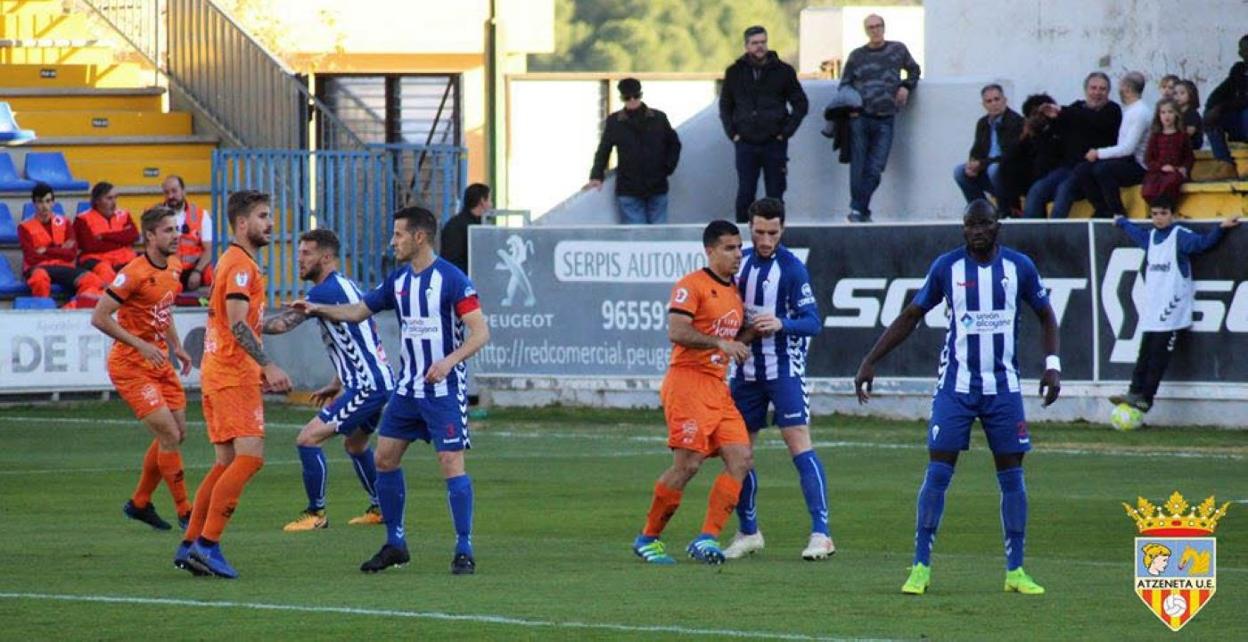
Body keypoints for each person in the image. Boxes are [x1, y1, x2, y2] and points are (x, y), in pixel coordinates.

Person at [854, 200, 1061, 596]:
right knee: (938, 472)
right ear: (963, 229)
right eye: (971, 224)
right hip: (956, 388)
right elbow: (912, 315)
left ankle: (1015, 571)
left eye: (985, 223)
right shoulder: (947, 267)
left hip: (1004, 389)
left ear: (997, 226)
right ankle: (920, 567)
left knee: (1013, 476)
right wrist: (870, 359)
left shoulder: (1019, 267)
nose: (978, 230)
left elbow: (1046, 315)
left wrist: (1052, 364)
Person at [292, 206, 490, 576]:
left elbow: (480, 332)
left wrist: (449, 362)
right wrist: (316, 307)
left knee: (450, 463)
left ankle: (464, 548)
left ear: (419, 237)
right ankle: (395, 542)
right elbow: (357, 311)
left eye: (398, 234)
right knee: (384, 459)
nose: (392, 241)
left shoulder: (451, 279)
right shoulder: (398, 281)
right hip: (407, 389)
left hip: (443, 389)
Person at [175, 190, 292, 579]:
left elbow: (251, 323)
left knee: (225, 462)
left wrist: (301, 316)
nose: (270, 223)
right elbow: (239, 324)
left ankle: (191, 543)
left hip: (217, 372)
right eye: (262, 216)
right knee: (250, 458)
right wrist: (269, 365)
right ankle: (208, 545)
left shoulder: (232, 262)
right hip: (233, 374)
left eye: (270, 215)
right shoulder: (241, 266)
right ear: (242, 224)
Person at [630, 220, 756, 566]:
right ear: (710, 250)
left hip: (717, 386)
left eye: (739, 248)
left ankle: (706, 539)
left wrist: (749, 335)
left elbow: (729, 342)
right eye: (729, 248)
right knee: (688, 465)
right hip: (687, 382)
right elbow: (677, 330)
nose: (737, 255)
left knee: (741, 458)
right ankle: (648, 538)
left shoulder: (734, 292)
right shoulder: (692, 285)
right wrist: (719, 342)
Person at [260, 229, 396, 532]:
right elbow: (358, 339)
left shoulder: (323, 293)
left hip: (367, 386)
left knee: (307, 439)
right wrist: (337, 381)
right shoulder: (345, 286)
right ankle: (382, 508)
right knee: (356, 444)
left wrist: (241, 321)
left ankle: (315, 514)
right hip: (375, 381)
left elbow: (282, 325)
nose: (299, 259)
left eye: (306, 253)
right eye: (299, 253)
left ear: (326, 257)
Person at [720, 198, 833, 562]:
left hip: (784, 369)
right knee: (739, 451)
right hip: (746, 373)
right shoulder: (740, 266)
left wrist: (783, 323)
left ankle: (822, 533)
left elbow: (814, 322)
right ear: (749, 228)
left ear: (782, 229)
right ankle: (748, 531)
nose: (765, 239)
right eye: (759, 231)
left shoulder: (792, 270)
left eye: (772, 232)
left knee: (798, 442)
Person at [91, 206, 194, 532]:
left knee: (177, 433)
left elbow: (163, 310)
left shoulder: (175, 266)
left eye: (176, 229)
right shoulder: (133, 273)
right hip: (131, 365)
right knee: (168, 434)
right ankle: (185, 511)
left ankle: (139, 503)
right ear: (150, 236)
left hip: (160, 360)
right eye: (167, 230)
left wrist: (176, 345)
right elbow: (99, 316)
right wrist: (140, 344)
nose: (175, 236)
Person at [1109, 196, 1238, 412]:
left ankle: (1146, 399)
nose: (1159, 218)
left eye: (1163, 213)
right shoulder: (1150, 237)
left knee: (1158, 357)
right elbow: (1136, 234)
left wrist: (1220, 228)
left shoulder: (1179, 236)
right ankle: (1133, 391)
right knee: (1145, 353)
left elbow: (1202, 244)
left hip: (1172, 310)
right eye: (1154, 214)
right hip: (1152, 309)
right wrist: (1122, 222)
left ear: (1173, 215)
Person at [719, 25, 808, 223]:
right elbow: (725, 105)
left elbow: (801, 103)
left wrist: (785, 132)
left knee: (775, 194)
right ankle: (742, 236)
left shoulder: (783, 71)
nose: (760, 47)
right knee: (745, 193)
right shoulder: (734, 72)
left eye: (763, 42)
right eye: (755, 43)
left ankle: (776, 235)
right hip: (745, 142)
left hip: (773, 142)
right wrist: (732, 133)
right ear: (746, 46)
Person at [840, 14, 920, 222]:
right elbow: (845, 84)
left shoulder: (897, 49)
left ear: (884, 28)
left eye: (878, 26)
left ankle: (858, 208)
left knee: (876, 167)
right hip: (860, 118)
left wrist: (905, 86)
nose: (875, 30)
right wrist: (852, 107)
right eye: (870, 27)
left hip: (886, 117)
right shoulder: (857, 56)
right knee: (858, 166)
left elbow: (914, 70)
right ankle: (859, 211)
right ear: (866, 31)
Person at [586, 78, 682, 224]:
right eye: (627, 97)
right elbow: (604, 150)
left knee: (657, 237)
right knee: (639, 237)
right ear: (621, 98)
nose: (632, 100)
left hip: (656, 185)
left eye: (635, 96)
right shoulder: (615, 122)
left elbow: (674, 144)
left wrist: (667, 168)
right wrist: (596, 176)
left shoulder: (659, 118)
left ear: (640, 95)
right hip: (629, 188)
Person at [1038, 73, 1122, 218]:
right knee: (1037, 190)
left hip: (1091, 168)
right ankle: (1032, 237)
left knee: (1064, 190)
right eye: (1093, 88)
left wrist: (1063, 111)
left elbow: (1092, 120)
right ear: (1086, 90)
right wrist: (1052, 118)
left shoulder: (1113, 110)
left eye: (1102, 89)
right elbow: (1061, 129)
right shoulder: (1076, 108)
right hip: (1068, 166)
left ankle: (1055, 235)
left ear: (1108, 92)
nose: (1097, 93)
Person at [1074, 71, 1151, 218]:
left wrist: (1098, 153)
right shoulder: (1130, 110)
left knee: (1103, 170)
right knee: (1082, 169)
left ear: (1127, 89)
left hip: (1140, 166)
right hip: (1127, 161)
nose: (1119, 90)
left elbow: (1128, 148)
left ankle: (1118, 213)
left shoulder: (1140, 112)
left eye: (1121, 87)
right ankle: (1103, 209)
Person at [17, 182, 103, 307]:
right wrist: (60, 249)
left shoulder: (65, 222)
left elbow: (71, 254)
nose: (45, 206)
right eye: (40, 202)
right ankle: (43, 314)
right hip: (39, 267)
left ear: (53, 202)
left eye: (48, 201)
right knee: (39, 279)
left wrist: (46, 250)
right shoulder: (24, 227)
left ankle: (70, 309)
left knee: (92, 280)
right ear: (34, 204)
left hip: (64, 266)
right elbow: (31, 257)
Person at [954, 84, 1023, 213]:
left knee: (994, 169)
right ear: (984, 105)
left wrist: (981, 164)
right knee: (959, 171)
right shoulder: (983, 123)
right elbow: (976, 150)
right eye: (989, 101)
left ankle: (1006, 211)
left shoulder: (1015, 122)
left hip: (1009, 175)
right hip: (986, 169)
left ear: (1004, 100)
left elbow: (1009, 156)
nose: (994, 104)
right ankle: (983, 212)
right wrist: (972, 163)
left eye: (997, 99)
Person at [1203, 33, 1248, 180]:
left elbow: (1244, 100)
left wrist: (1222, 107)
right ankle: (1225, 164)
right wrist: (1211, 108)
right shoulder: (1239, 70)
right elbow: (1219, 93)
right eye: (1243, 50)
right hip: (1241, 123)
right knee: (1211, 116)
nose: (1244, 53)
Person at [75, 181, 138, 284]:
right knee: (105, 271)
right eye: (109, 198)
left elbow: (134, 236)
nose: (114, 202)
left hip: (124, 258)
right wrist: (121, 240)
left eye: (115, 198)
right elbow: (90, 246)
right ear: (97, 201)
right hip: (95, 260)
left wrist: (104, 236)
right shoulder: (82, 219)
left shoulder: (124, 215)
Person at [160, 175, 214, 292]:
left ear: (184, 191)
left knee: (212, 273)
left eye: (174, 191)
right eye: (166, 192)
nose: (170, 196)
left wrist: (197, 271)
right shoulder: (155, 216)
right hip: (167, 268)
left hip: (194, 268)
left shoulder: (201, 214)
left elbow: (209, 249)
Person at [1140, 99, 1195, 203]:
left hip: (1175, 172)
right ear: (1158, 116)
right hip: (1157, 172)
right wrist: (1161, 167)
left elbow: (1189, 157)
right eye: (1163, 112)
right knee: (1148, 190)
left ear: (1176, 114)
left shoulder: (1182, 136)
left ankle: (1167, 209)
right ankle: (1155, 211)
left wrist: (1185, 168)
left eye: (1170, 112)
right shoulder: (1155, 136)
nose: (1167, 116)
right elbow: (1148, 159)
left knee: (1170, 184)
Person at [439, 183, 490, 275]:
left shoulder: (458, 223)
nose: (491, 204)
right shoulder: (458, 226)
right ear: (482, 201)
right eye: (490, 200)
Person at [1174, 80, 1203, 151]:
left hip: (1191, 146)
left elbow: (1190, 132)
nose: (1178, 96)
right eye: (1175, 93)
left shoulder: (1192, 113)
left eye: (1182, 93)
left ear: (1191, 95)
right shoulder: (1176, 112)